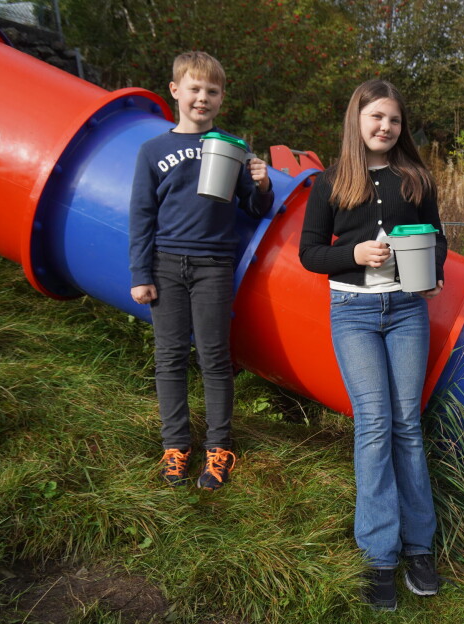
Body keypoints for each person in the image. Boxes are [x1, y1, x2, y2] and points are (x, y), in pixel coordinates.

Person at [298, 79, 447, 611]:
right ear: (356, 120)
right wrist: (353, 254)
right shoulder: (332, 183)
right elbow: (310, 253)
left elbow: (437, 236)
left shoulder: (415, 178)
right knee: (374, 423)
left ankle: (419, 546)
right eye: (376, 117)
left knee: (407, 422)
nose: (385, 127)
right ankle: (379, 555)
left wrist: (434, 272)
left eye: (394, 120)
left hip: (408, 311)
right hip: (354, 314)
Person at [128, 51, 273, 491]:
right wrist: (140, 273)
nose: (202, 98)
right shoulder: (153, 150)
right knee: (169, 358)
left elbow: (254, 207)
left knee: (213, 357)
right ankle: (175, 447)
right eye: (194, 88)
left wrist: (263, 183)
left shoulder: (232, 146)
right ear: (175, 90)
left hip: (214, 266)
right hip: (166, 265)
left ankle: (219, 448)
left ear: (221, 97)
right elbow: (141, 215)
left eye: (212, 91)